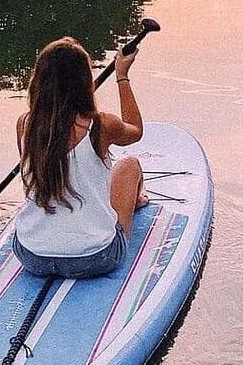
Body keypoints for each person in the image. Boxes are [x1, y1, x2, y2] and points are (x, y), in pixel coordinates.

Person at [12, 36, 147, 279]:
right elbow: (135, 130)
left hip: (31, 256)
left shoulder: (25, 125)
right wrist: (122, 75)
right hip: (95, 258)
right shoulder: (101, 125)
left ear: (39, 82)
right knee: (129, 165)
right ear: (84, 82)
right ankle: (134, 201)